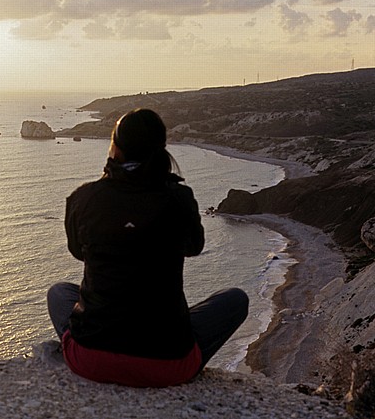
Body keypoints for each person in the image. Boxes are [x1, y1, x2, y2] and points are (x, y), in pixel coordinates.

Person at [47, 108, 249, 388]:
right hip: (166, 365)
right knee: (235, 300)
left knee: (59, 292)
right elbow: (194, 246)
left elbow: (78, 252)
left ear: (115, 146)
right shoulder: (179, 198)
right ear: (160, 149)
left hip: (91, 360)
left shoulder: (83, 198)